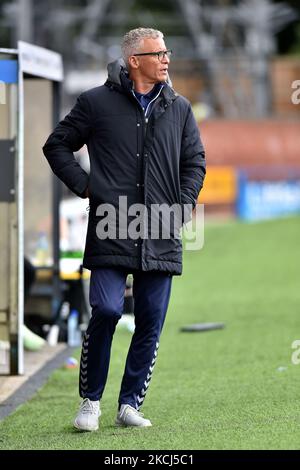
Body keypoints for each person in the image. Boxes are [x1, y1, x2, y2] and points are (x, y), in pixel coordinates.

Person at [43, 27, 206, 431]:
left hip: (161, 229)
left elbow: (195, 160)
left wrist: (184, 203)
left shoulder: (180, 107)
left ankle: (129, 403)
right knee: (108, 310)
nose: (167, 58)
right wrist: (85, 185)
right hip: (109, 226)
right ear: (135, 61)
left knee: (150, 318)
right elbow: (57, 145)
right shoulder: (95, 103)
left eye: (168, 51)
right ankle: (90, 403)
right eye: (159, 52)